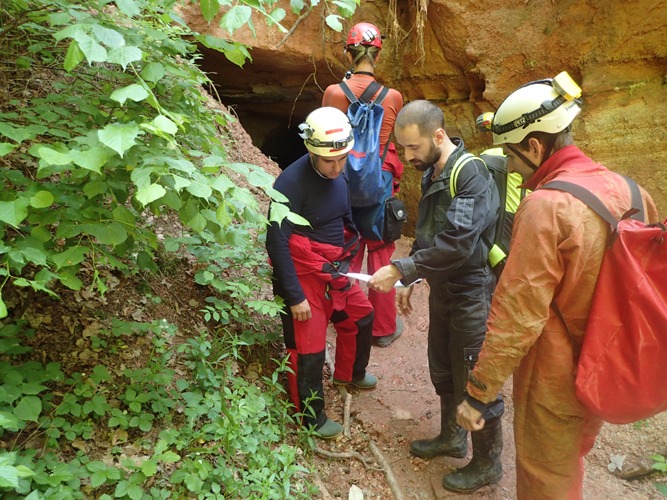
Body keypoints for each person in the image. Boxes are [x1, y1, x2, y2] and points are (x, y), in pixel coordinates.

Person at [456, 71, 660, 499]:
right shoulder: (634, 192)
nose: (510, 167)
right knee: (574, 457)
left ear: (534, 145)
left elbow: (517, 316)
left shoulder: (545, 207)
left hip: (555, 375)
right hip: (607, 359)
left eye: (511, 155)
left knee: (546, 477)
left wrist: (478, 393)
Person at [368, 100, 505, 493]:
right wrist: (411, 281)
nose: (408, 156)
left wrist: (399, 270)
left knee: (474, 375)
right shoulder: (433, 172)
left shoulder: (471, 175)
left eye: (413, 148)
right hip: (445, 290)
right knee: (444, 366)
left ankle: (486, 465)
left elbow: (459, 244)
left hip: (471, 292)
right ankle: (451, 437)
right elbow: (428, 238)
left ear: (438, 135)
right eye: (403, 149)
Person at [265, 106, 377, 440]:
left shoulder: (338, 171)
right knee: (308, 348)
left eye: (342, 159)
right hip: (303, 271)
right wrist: (294, 296)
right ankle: (310, 418)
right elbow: (276, 241)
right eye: (330, 161)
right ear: (311, 151)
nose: (337, 167)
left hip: (333, 266)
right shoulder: (290, 183)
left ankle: (349, 373)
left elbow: (342, 216)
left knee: (360, 317)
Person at [322, 22, 405, 348]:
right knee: (382, 257)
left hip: (341, 185)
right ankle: (383, 329)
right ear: (378, 55)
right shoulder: (393, 97)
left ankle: (349, 321)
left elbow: (326, 138)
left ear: (348, 52)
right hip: (380, 187)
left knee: (348, 254)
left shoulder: (333, 93)